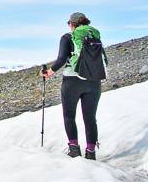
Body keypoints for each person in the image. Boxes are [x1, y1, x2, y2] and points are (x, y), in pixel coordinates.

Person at [41, 12, 105, 160]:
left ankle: (74, 150)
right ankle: (91, 152)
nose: (69, 26)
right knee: (90, 118)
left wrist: (49, 72)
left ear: (72, 24)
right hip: (94, 82)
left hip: (72, 82)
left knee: (69, 116)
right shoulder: (94, 36)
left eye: (69, 23)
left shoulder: (67, 37)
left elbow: (61, 59)